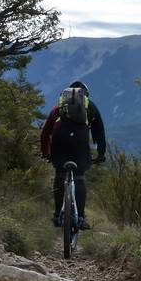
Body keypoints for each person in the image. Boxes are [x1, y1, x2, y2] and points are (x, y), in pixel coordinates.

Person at [40, 81, 106, 230]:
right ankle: (81, 218)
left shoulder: (58, 107)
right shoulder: (90, 106)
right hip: (80, 142)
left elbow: (45, 132)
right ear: (85, 95)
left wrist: (45, 153)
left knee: (60, 174)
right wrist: (101, 154)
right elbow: (100, 133)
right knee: (79, 177)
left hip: (59, 140)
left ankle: (57, 215)